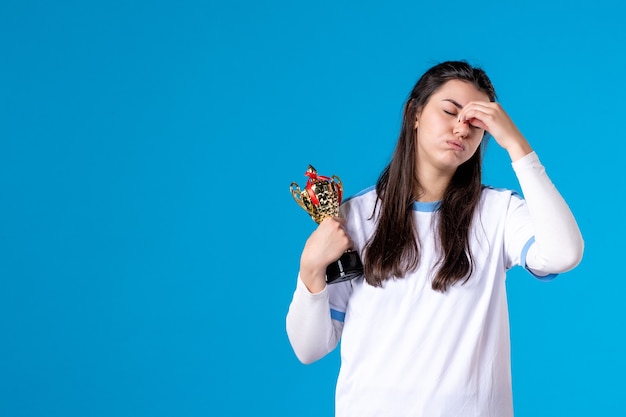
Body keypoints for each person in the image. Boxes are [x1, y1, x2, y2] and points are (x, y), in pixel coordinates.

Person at [285, 60, 584, 417]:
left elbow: (564, 253)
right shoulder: (354, 217)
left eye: (477, 123)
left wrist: (516, 144)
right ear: (414, 113)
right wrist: (310, 269)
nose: (461, 128)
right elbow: (309, 347)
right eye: (450, 111)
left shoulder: (498, 212)